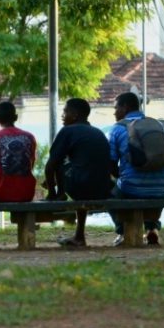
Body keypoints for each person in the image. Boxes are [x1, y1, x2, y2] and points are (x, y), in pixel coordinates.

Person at [43, 97, 113, 248]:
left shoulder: (68, 131)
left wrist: (51, 192)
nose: (63, 115)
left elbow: (50, 166)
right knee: (80, 171)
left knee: (61, 163)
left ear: (74, 115)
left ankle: (59, 195)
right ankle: (79, 236)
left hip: (80, 186)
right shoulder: (98, 132)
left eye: (65, 111)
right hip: (103, 189)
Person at [108, 92, 164, 246]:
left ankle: (123, 232)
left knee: (109, 193)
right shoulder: (157, 125)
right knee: (153, 185)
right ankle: (152, 230)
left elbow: (110, 164)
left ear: (125, 107)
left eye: (116, 108)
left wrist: (120, 177)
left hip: (133, 188)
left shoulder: (117, 128)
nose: (114, 112)